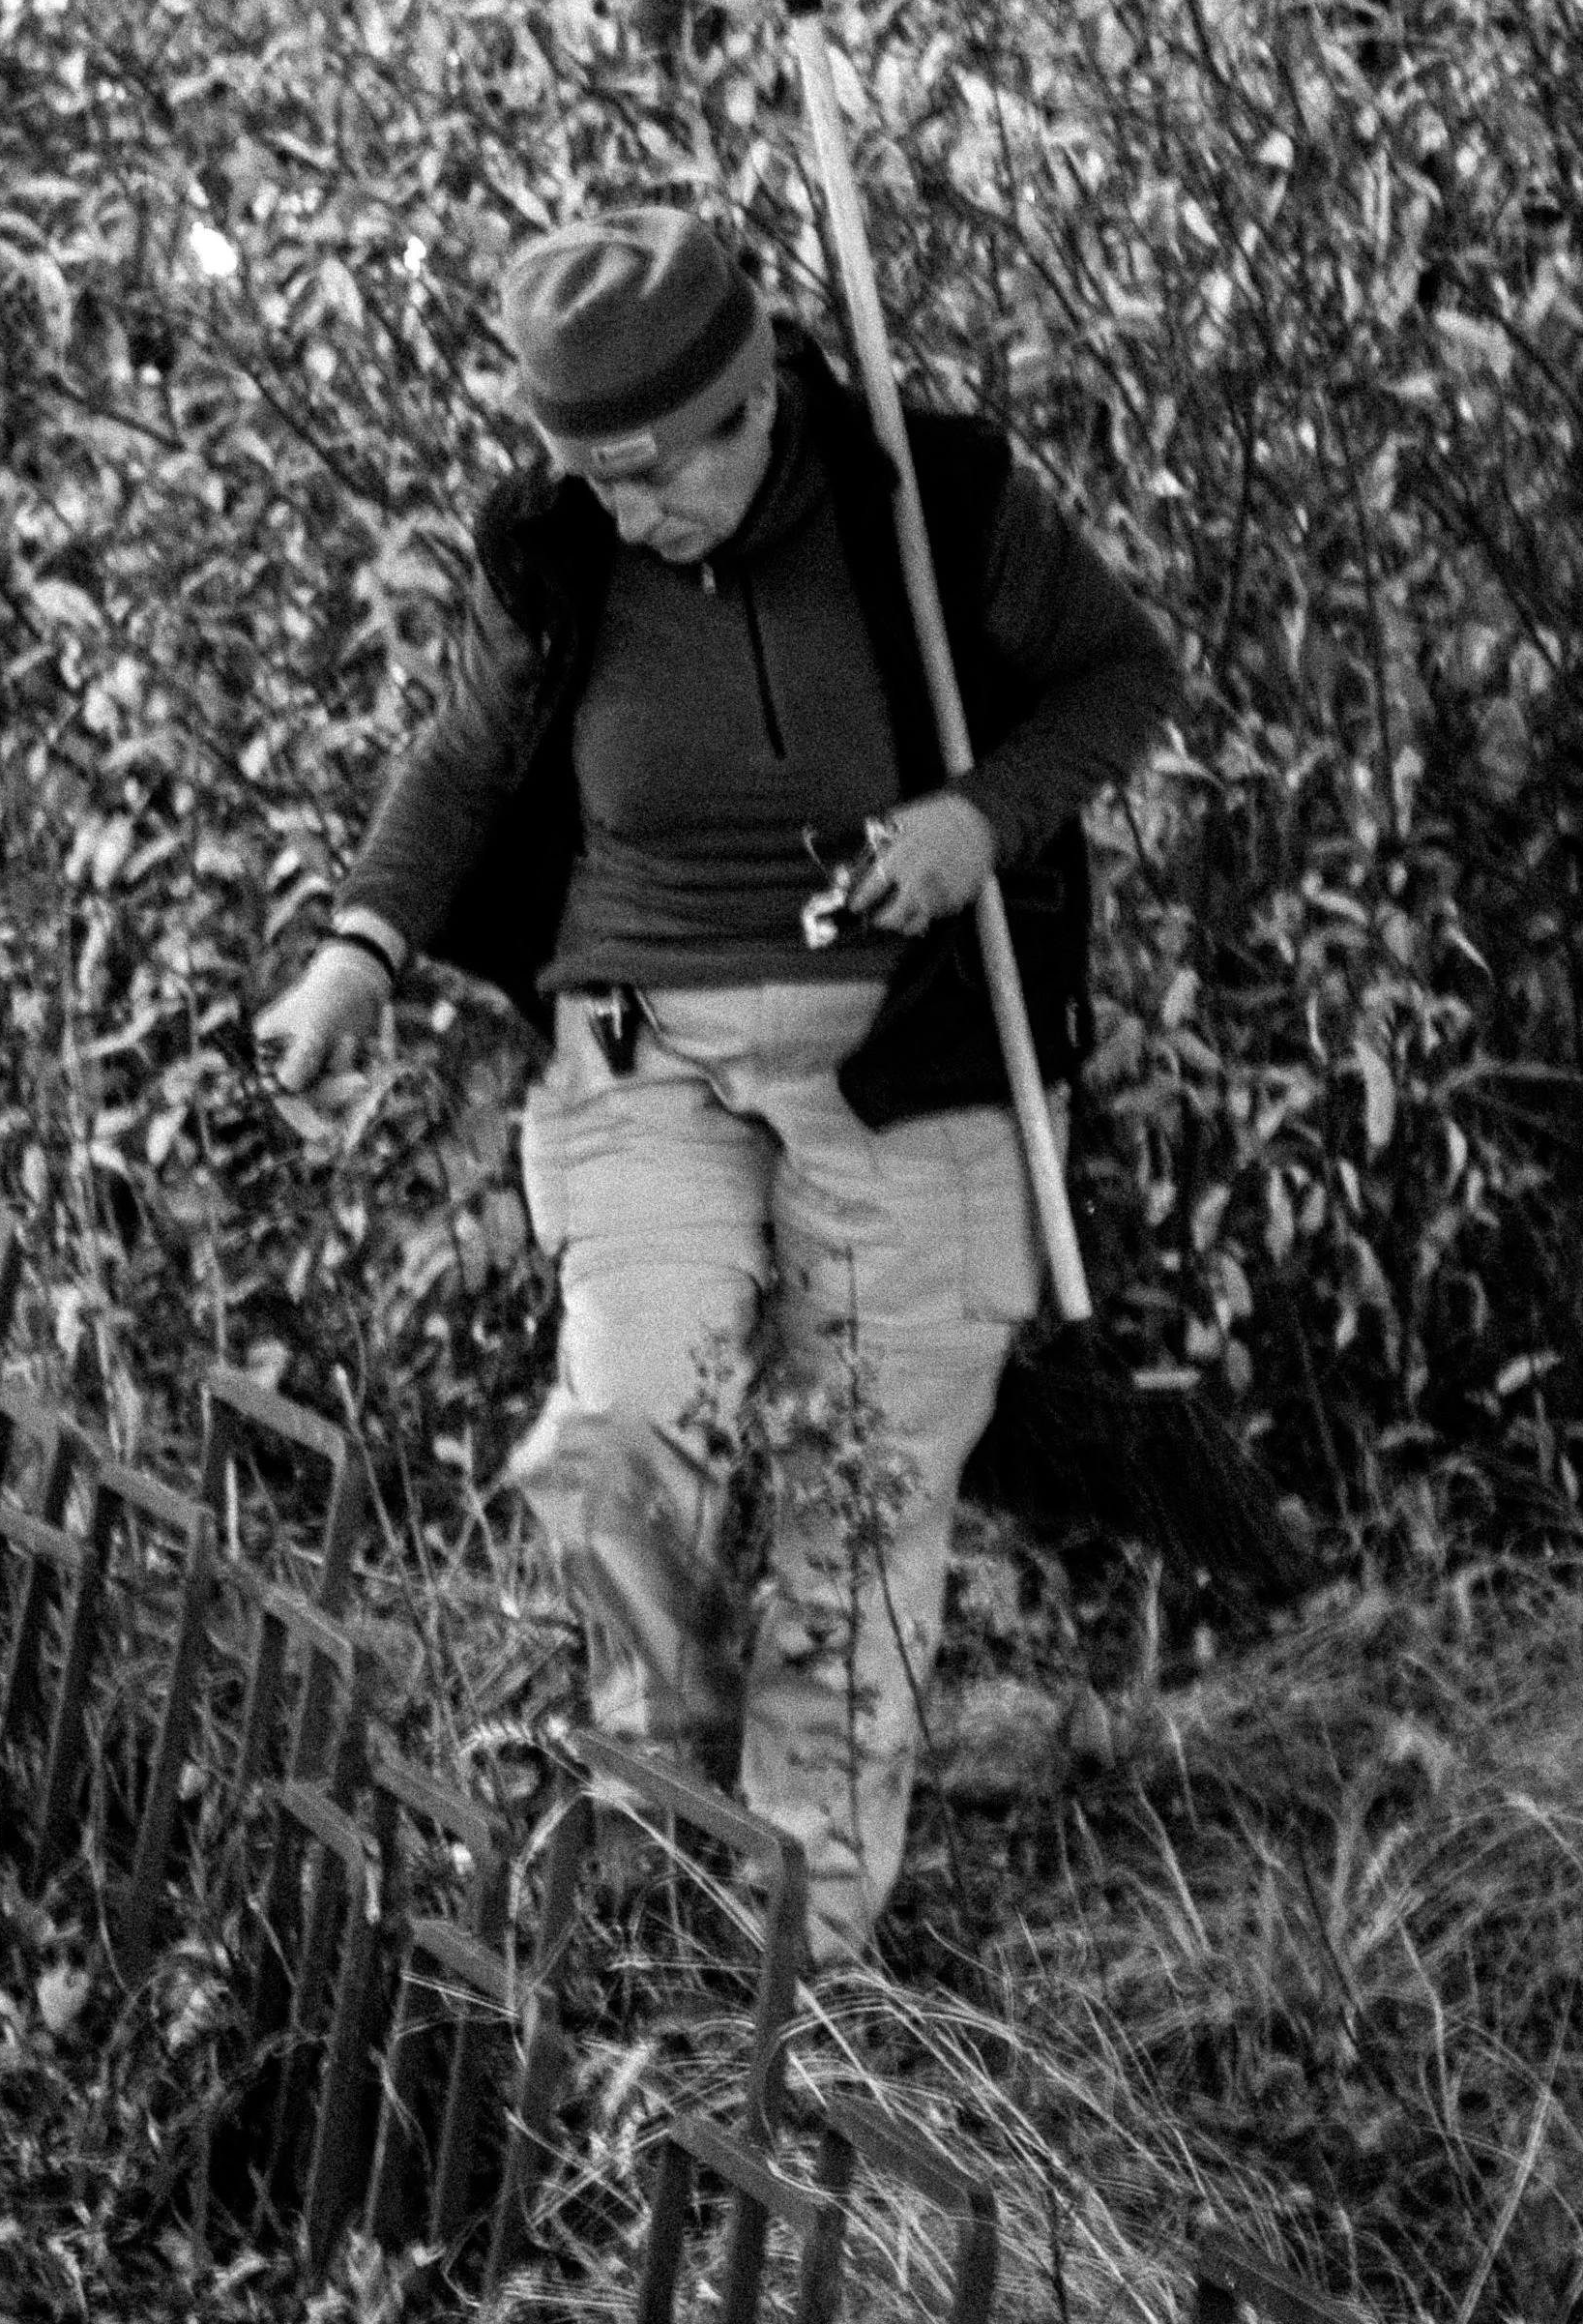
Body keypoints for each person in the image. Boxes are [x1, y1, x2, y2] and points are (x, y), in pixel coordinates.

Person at [256, 207, 1179, 1957]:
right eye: (595, 480)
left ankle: (794, 1949)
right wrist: (356, 952)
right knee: (612, 1443)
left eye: (658, 474)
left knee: (861, 1496)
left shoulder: (936, 497)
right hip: (641, 1046)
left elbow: (1121, 676)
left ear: (754, 402)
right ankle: (654, 1818)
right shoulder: (555, 548)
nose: (629, 514)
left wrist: (975, 821)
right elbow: (463, 762)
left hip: (914, 1054)